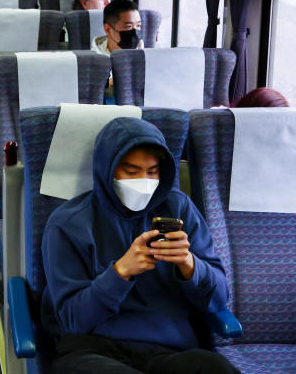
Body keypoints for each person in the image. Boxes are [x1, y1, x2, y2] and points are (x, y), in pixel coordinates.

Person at [42, 118, 236, 374]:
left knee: (216, 369)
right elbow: (73, 319)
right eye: (131, 172)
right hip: (94, 349)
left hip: (169, 350)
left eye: (152, 172)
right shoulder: (68, 224)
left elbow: (220, 298)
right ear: (107, 171)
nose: (143, 182)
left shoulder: (178, 208)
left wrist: (189, 266)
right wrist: (120, 272)